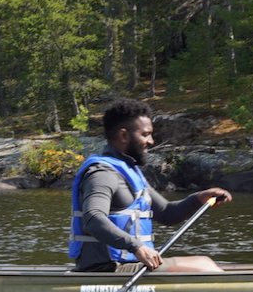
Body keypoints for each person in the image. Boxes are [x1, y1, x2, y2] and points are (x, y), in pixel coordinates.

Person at [70, 98, 232, 272]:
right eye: (145, 134)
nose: (151, 141)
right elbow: (93, 219)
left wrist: (198, 199)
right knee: (203, 267)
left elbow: (166, 213)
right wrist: (136, 246)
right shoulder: (102, 174)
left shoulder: (130, 172)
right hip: (107, 269)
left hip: (132, 266)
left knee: (204, 261)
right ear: (124, 135)